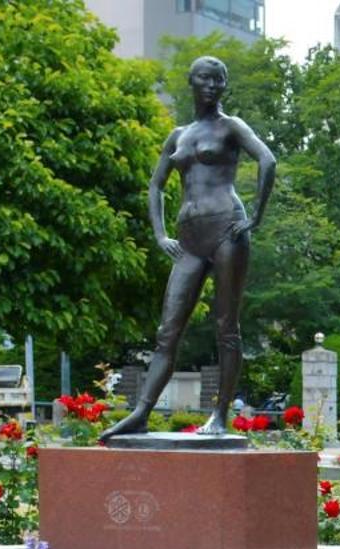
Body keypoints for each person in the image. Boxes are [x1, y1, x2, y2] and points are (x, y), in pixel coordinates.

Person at [102, 55, 275, 439]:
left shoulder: (231, 127)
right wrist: (161, 234)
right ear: (192, 82)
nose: (211, 86)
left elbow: (267, 160)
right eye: (204, 79)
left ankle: (221, 415)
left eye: (218, 80)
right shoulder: (178, 135)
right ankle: (142, 412)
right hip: (190, 241)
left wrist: (256, 218)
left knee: (226, 327)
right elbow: (155, 185)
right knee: (168, 331)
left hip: (227, 228)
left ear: (224, 85)